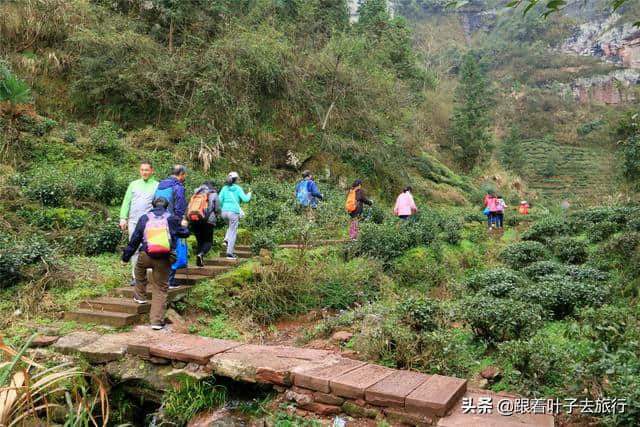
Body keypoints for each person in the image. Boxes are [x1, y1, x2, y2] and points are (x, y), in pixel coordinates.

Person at [121, 197, 190, 330]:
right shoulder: (172, 218)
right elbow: (185, 234)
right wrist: (184, 225)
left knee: (139, 268)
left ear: (152, 205)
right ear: (167, 206)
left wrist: (125, 258)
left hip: (146, 255)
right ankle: (156, 322)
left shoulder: (144, 218)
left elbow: (135, 239)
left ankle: (140, 296)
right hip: (164, 258)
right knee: (160, 289)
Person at [119, 161, 158, 285]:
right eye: (142, 170)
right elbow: (126, 202)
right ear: (139, 171)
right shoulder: (133, 184)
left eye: (147, 170)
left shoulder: (157, 185)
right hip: (133, 221)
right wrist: (123, 218)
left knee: (150, 249)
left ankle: (150, 276)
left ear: (152, 171)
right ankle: (136, 277)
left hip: (150, 223)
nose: (144, 172)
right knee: (134, 248)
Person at [218, 172, 252, 259]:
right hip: (233, 212)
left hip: (224, 212)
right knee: (233, 231)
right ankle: (229, 253)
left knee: (230, 226)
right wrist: (249, 194)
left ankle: (226, 240)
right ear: (235, 179)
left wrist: (223, 207)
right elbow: (245, 199)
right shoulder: (238, 188)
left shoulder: (224, 188)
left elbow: (219, 200)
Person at [188, 181, 220, 267]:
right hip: (208, 221)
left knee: (200, 241)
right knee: (208, 241)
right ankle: (201, 254)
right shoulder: (213, 194)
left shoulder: (195, 194)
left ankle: (199, 262)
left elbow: (189, 207)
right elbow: (217, 209)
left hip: (195, 220)